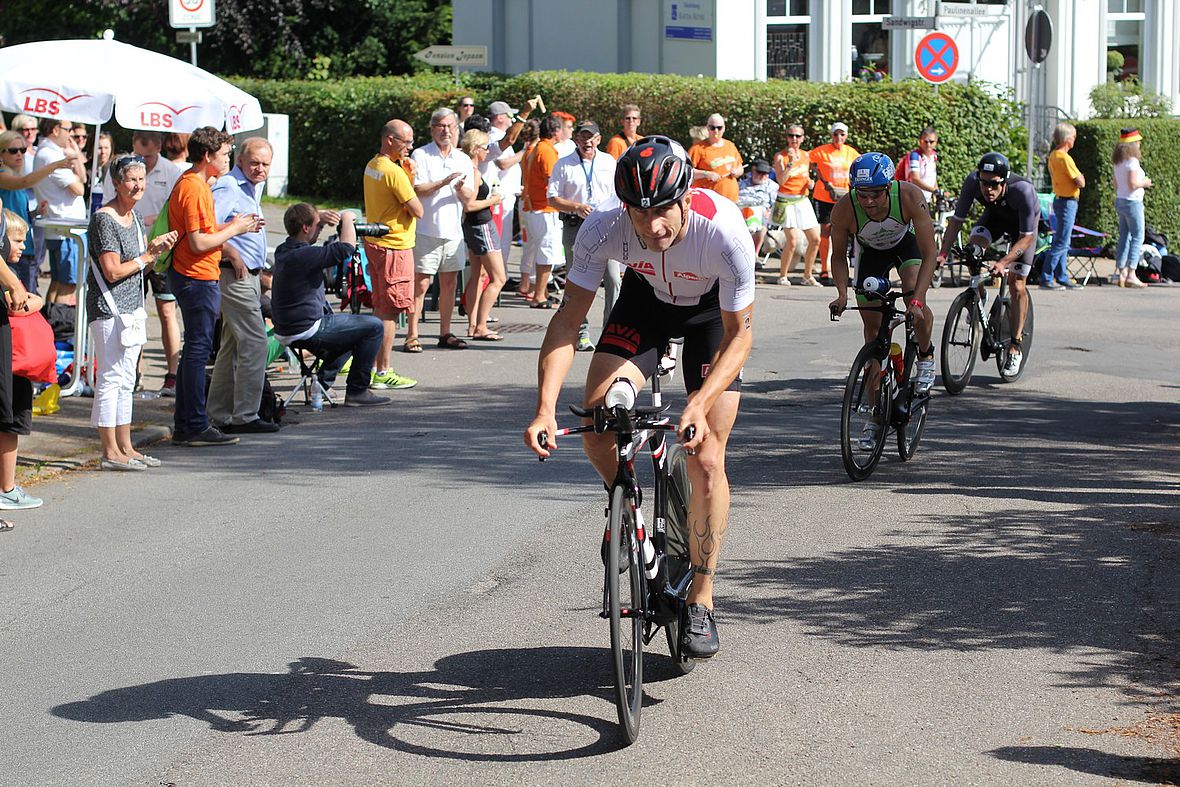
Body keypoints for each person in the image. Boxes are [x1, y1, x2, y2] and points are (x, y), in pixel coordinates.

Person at [524, 136, 757, 658]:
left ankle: (702, 596)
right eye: (639, 213)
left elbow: (741, 336)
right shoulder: (602, 228)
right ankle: (625, 503)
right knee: (597, 424)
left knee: (707, 459)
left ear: (685, 197)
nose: (652, 227)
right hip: (645, 304)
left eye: (663, 213)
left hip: (710, 318)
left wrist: (697, 403)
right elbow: (567, 321)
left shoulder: (723, 231)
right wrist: (543, 406)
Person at [828, 153, 938, 449]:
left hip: (907, 244)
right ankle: (875, 417)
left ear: (888, 186)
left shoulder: (910, 196)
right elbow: (838, 256)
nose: (868, 202)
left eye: (876, 193)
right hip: (871, 254)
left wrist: (918, 300)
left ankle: (925, 355)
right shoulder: (844, 209)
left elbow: (930, 253)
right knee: (874, 335)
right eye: (862, 194)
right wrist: (841, 293)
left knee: (914, 289)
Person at [167, 126, 264, 447]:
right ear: (207, 156)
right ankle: (194, 424)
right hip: (196, 276)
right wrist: (234, 228)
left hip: (198, 275)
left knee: (198, 351)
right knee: (196, 352)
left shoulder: (196, 184)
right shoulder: (194, 187)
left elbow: (204, 231)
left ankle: (191, 422)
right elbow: (197, 242)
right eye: (224, 155)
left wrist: (237, 226)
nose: (227, 160)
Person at [86, 154, 179, 469]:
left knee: (127, 379)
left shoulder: (136, 217)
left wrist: (157, 250)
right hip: (109, 309)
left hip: (133, 308)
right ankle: (109, 450)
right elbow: (112, 270)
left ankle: (126, 446)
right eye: (131, 180)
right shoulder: (104, 218)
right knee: (111, 378)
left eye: (142, 180)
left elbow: (142, 262)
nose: (138, 186)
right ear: (116, 183)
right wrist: (146, 256)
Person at [271, 204, 390, 407]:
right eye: (318, 226)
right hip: (307, 328)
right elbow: (346, 249)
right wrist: (347, 218)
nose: (320, 230)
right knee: (373, 326)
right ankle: (357, 391)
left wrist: (320, 218)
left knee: (349, 332)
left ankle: (322, 385)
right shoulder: (305, 255)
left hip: (286, 328)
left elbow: (310, 229)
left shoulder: (284, 250)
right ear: (306, 228)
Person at [938, 152, 1040, 376]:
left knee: (1017, 284)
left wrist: (1004, 262)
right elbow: (956, 221)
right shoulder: (972, 182)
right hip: (994, 219)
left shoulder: (1023, 191)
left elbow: (1027, 238)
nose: (987, 189)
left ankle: (1015, 346)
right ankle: (979, 295)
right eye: (984, 183)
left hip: (1022, 231)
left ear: (1004, 181)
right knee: (972, 251)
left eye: (993, 185)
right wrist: (942, 253)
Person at [103, 131, 183, 396]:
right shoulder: (119, 170)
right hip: (129, 253)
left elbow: (176, 208)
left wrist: (157, 227)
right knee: (132, 313)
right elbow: (106, 205)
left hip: (160, 253)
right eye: (140, 153)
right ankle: (133, 373)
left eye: (150, 155)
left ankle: (172, 374)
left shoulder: (170, 170)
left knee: (167, 311)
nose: (145, 161)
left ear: (160, 147)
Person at [208, 137, 279, 433]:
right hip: (232, 273)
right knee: (255, 340)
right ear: (240, 161)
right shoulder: (229, 185)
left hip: (248, 274)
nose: (259, 169)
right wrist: (231, 252)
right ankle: (246, 415)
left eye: (265, 164)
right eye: (254, 163)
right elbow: (207, 226)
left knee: (232, 346)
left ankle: (218, 413)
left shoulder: (251, 186)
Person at [546, 119, 619, 351]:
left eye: (591, 137)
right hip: (575, 225)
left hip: (606, 226)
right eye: (582, 137)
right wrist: (576, 207)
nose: (586, 141)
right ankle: (581, 331)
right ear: (576, 139)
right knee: (577, 280)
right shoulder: (564, 164)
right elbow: (552, 198)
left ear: (598, 139)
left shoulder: (609, 162)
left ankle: (609, 333)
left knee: (614, 280)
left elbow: (619, 194)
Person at [363, 119, 424, 381]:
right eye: (406, 142)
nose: (409, 147)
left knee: (380, 307)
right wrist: (409, 176)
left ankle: (374, 366)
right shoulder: (394, 172)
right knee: (390, 311)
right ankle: (382, 370)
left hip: (377, 242)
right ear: (390, 140)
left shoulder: (373, 165)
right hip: (395, 246)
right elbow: (418, 209)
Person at [410, 108, 475, 350]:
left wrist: (460, 189)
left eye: (450, 126)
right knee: (421, 284)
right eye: (440, 126)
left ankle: (445, 333)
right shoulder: (421, 154)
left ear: (457, 129)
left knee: (450, 285)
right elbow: (416, 189)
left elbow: (469, 198)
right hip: (426, 230)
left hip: (453, 232)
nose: (445, 130)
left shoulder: (463, 159)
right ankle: (413, 334)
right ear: (432, 129)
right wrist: (443, 183)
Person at [0, 209, 42, 516]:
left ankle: (8, 487)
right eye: (16, 241)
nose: (22, 247)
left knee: (11, 419)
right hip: (10, 362)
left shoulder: (18, 273)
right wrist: (15, 289)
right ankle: (7, 488)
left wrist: (23, 295)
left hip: (17, 365)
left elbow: (34, 299)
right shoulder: (9, 278)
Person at [0, 130, 77, 293]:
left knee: (28, 294)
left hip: (23, 247)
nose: (19, 154)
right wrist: (55, 165)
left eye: (22, 150)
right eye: (13, 151)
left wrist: (35, 213)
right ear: (1, 154)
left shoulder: (14, 176)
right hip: (9, 249)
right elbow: (25, 181)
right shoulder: (3, 176)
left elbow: (16, 214)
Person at [458, 128, 507, 341]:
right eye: (486, 147)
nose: (488, 151)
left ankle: (472, 325)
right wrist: (493, 200)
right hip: (481, 225)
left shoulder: (468, 168)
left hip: (472, 226)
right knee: (498, 278)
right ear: (476, 149)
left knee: (478, 276)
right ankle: (481, 325)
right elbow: (469, 205)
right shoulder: (473, 171)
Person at [32, 117, 87, 305]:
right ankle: (61, 332)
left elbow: (83, 180)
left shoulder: (48, 152)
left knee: (58, 282)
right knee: (67, 284)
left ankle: (52, 326)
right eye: (68, 129)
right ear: (56, 130)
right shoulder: (51, 155)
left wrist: (75, 155)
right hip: (65, 230)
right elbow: (79, 189)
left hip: (61, 228)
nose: (70, 134)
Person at [520, 115, 565, 308]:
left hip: (535, 208)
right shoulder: (546, 151)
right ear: (556, 131)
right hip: (544, 210)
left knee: (541, 252)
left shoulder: (538, 148)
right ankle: (539, 295)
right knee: (546, 254)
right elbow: (552, 181)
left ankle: (542, 292)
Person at [771, 124, 821, 286]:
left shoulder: (806, 156)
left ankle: (807, 275)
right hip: (786, 201)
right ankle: (783, 276)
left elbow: (806, 176)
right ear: (786, 138)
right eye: (791, 136)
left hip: (802, 200)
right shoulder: (781, 156)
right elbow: (781, 180)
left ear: (803, 138)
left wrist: (810, 183)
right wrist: (790, 162)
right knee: (791, 241)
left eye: (798, 136)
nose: (794, 139)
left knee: (815, 239)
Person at [810, 122, 859, 284]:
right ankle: (825, 269)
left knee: (846, 233)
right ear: (831, 135)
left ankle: (845, 271)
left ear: (846, 136)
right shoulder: (822, 151)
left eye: (842, 134)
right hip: (824, 197)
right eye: (836, 134)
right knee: (825, 232)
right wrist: (815, 176)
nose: (839, 137)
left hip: (844, 197)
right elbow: (806, 160)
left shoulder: (851, 153)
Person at [1042, 123, 1085, 290]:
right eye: (1073, 137)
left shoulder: (1053, 155)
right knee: (1062, 241)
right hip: (1068, 201)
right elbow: (1079, 181)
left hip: (1059, 199)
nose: (1074, 140)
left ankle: (1061, 276)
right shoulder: (1065, 158)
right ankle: (1047, 277)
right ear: (1067, 139)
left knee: (1062, 240)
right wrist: (1081, 177)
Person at [1112, 128, 1152, 288]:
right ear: (1133, 144)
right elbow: (1133, 184)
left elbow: (1116, 184)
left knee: (1124, 236)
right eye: (1137, 142)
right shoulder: (1133, 162)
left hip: (1120, 200)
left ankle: (1121, 272)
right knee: (1137, 237)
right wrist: (1145, 183)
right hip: (1133, 202)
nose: (1139, 144)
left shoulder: (1118, 162)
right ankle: (1131, 273)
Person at [514, 118, 541, 298]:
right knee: (534, 246)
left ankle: (525, 283)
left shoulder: (527, 149)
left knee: (528, 246)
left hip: (524, 200)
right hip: (530, 201)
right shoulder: (534, 150)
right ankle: (530, 285)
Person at [689, 114, 743, 203]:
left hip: (731, 200)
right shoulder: (697, 149)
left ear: (724, 128)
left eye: (719, 128)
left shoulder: (730, 146)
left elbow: (740, 167)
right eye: (712, 128)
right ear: (707, 128)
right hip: (709, 201)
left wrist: (737, 172)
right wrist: (706, 174)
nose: (716, 131)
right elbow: (688, 172)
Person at [737, 158, 775, 258]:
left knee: (761, 221)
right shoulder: (741, 184)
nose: (762, 176)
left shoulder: (772, 186)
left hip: (760, 215)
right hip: (740, 211)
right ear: (753, 171)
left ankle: (754, 254)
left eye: (765, 173)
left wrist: (770, 211)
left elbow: (777, 205)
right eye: (759, 172)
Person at [899, 127, 938, 203]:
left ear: (936, 142)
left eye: (931, 141)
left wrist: (936, 192)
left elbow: (933, 176)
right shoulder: (915, 156)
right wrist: (934, 190)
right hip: (913, 199)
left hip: (926, 199)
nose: (928, 144)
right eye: (925, 141)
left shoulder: (934, 156)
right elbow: (915, 179)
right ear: (920, 141)